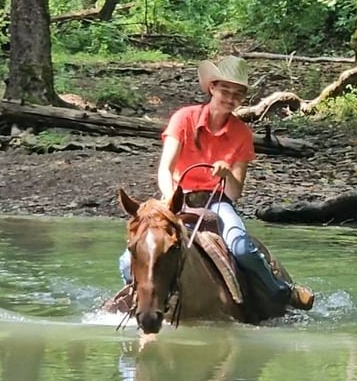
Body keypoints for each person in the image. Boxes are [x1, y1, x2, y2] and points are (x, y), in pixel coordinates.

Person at [118, 55, 314, 310]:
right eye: (225, 90)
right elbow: (165, 169)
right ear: (212, 88)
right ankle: (138, 300)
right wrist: (169, 199)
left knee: (241, 247)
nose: (230, 98)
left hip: (218, 202)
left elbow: (234, 192)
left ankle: (281, 291)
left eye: (238, 94)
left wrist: (227, 174)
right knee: (128, 259)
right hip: (179, 198)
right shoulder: (183, 119)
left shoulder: (242, 133)